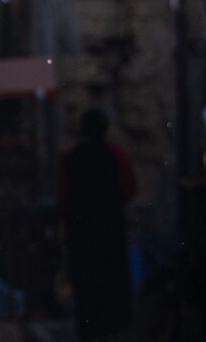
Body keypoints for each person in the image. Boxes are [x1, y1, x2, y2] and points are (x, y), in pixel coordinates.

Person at [59, 108, 137, 342]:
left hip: (82, 234)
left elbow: (63, 197)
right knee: (111, 284)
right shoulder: (115, 154)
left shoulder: (71, 157)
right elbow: (129, 188)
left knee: (86, 287)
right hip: (109, 232)